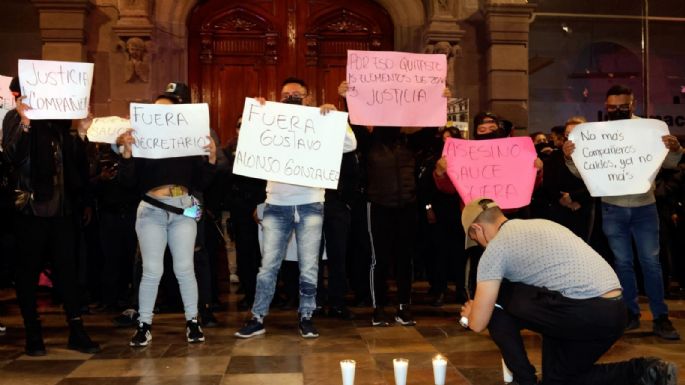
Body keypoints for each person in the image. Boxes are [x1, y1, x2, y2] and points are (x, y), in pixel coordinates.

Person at [459, 197, 678, 385]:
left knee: (496, 300)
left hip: (582, 310)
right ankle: (647, 371)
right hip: (614, 312)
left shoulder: (495, 249)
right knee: (559, 380)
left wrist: (472, 313)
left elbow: (478, 323)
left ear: (477, 229)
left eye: (475, 239)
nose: (479, 245)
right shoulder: (542, 224)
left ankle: (524, 380)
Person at [234, 77, 357, 339]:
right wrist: (257, 113)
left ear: (307, 97)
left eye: (296, 94)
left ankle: (307, 316)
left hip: (311, 202)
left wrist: (336, 119)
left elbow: (350, 145)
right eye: (285, 94)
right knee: (268, 265)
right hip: (277, 203)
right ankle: (257, 317)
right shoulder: (271, 119)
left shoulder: (320, 121)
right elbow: (245, 138)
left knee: (310, 265)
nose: (290, 97)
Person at [563, 84, 681, 340]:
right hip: (613, 208)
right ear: (606, 107)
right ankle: (630, 313)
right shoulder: (596, 135)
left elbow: (670, 164)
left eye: (622, 107)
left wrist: (675, 149)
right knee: (623, 264)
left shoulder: (649, 130)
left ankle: (661, 317)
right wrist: (570, 158)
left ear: (633, 104)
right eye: (612, 107)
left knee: (651, 264)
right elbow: (583, 172)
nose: (616, 111)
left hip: (644, 207)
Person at [2, 77, 100, 356]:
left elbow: (78, 168)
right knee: (27, 272)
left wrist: (81, 133)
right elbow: (10, 156)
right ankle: (33, 333)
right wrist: (25, 123)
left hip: (61, 210)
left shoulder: (59, 124)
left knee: (68, 271)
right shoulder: (15, 118)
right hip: (29, 209)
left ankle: (76, 330)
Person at [118, 82, 217, 346]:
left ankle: (193, 322)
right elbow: (127, 182)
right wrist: (127, 154)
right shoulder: (143, 141)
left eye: (166, 111)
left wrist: (212, 159)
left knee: (185, 267)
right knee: (152, 270)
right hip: (151, 209)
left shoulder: (186, 142)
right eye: (155, 111)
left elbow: (202, 181)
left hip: (183, 207)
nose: (160, 115)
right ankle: (144, 324)